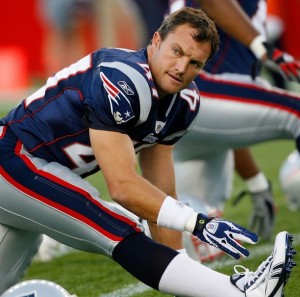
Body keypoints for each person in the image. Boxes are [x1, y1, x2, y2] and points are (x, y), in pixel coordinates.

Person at [0, 7, 295, 297]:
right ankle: (245, 293)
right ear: (155, 41)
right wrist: (198, 222)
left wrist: (184, 271)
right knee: (113, 226)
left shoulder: (184, 102)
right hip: (13, 156)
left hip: (32, 173)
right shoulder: (123, 79)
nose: (181, 67)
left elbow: (158, 190)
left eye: (194, 62)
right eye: (177, 52)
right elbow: (124, 187)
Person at [168, 0, 300, 244]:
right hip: (198, 92)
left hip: (185, 118)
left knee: (188, 224)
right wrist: (260, 45)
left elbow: (226, 124)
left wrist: (257, 183)